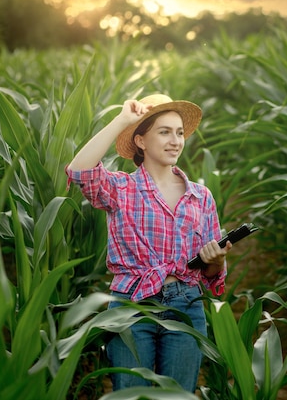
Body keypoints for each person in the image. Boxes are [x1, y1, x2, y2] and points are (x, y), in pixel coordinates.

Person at [66, 93, 231, 393]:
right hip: (132, 305)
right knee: (130, 394)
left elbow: (212, 276)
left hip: (187, 306)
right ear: (141, 141)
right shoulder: (121, 189)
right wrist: (122, 120)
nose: (175, 141)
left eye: (179, 133)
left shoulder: (200, 197)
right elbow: (79, 171)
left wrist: (216, 262)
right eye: (164, 132)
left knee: (178, 396)